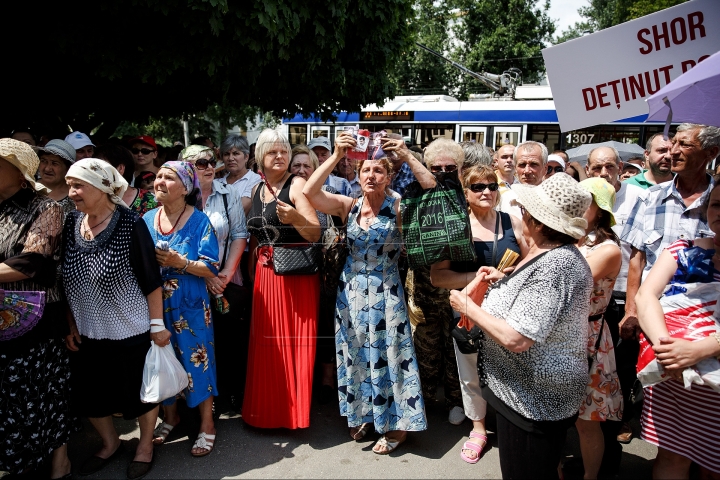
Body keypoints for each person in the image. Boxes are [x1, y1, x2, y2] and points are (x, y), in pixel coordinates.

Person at [449, 172, 594, 479]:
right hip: (523, 392)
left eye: (528, 211)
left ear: (540, 222)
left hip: (533, 399)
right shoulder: (554, 256)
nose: (523, 215)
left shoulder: (556, 265)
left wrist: (468, 308)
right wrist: (506, 281)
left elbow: (516, 338)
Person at [303, 131, 435, 454]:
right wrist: (336, 155)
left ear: (389, 175)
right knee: (356, 354)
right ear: (358, 175)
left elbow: (432, 190)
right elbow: (309, 191)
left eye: (379, 170)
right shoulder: (349, 205)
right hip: (350, 295)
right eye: (366, 170)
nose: (371, 175)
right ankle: (366, 414)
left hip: (386, 292)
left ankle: (398, 424)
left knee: (391, 357)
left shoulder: (399, 206)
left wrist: (406, 156)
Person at [61, 158, 168, 479]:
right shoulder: (71, 223)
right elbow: (64, 278)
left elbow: (151, 281)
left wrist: (157, 326)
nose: (71, 192)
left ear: (103, 187)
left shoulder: (129, 224)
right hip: (86, 330)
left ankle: (145, 444)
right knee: (91, 395)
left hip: (130, 328)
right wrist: (70, 322)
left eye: (78, 185)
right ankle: (109, 443)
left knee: (140, 392)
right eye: (69, 185)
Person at [430, 164, 525, 464]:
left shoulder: (514, 223)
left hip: (508, 313)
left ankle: (512, 424)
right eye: (478, 187)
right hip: (470, 311)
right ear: (465, 193)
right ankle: (478, 429)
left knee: (511, 372)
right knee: (470, 374)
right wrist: (479, 275)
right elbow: (439, 278)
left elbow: (532, 261)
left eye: (492, 186)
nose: (486, 192)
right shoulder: (456, 228)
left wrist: (508, 273)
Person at [0, 139, 75, 479]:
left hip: (36, 316)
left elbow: (32, 262)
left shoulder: (45, 208)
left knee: (43, 393)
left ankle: (59, 461)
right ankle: (18, 461)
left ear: (20, 174)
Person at [634, 181, 720, 479]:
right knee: (672, 458)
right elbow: (645, 297)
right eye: (716, 205)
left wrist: (703, 349)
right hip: (673, 375)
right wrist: (668, 349)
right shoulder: (682, 250)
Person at [620, 124, 719, 366]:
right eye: (673, 142)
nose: (673, 151)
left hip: (707, 327)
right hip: (652, 321)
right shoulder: (651, 197)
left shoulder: (717, 201)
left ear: (711, 152)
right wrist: (631, 311)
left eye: (684, 144)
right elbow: (637, 258)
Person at [242, 129, 321, 430]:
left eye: (284, 151)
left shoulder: (297, 183)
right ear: (260, 157)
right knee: (266, 348)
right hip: (265, 277)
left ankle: (291, 416)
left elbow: (315, 233)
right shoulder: (257, 190)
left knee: (292, 346)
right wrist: (251, 275)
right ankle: (265, 413)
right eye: (273, 151)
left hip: (295, 279)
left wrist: (295, 219)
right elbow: (254, 240)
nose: (280, 156)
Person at [143, 161, 221, 457]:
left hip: (189, 305)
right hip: (154, 303)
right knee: (164, 359)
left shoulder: (200, 221)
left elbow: (211, 267)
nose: (160, 181)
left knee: (197, 361)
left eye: (168, 177)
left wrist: (181, 263)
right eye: (158, 176)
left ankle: (207, 423)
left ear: (186, 187)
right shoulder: (147, 219)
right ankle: (171, 417)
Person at [180, 145, 249, 412]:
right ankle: (199, 399)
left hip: (225, 282)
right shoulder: (179, 197)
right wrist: (206, 275)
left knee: (228, 341)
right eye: (200, 163)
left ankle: (229, 393)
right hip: (189, 281)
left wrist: (222, 276)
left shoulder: (227, 192)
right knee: (196, 342)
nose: (209, 167)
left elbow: (239, 235)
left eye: (211, 161)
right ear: (186, 168)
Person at [404, 138, 465, 425]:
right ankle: (425, 398)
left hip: (457, 286)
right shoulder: (412, 191)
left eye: (449, 167)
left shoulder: (462, 191)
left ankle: (456, 400)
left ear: (460, 169)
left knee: (455, 346)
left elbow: (436, 188)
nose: (442, 172)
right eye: (435, 167)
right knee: (425, 344)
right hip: (423, 284)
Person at [574, 178, 624, 480]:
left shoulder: (608, 249)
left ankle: (590, 477)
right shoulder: (565, 237)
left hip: (588, 337)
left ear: (600, 211)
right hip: (558, 335)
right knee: (554, 416)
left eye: (586, 201)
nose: (579, 206)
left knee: (587, 420)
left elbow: (569, 279)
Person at [95, 144, 158, 216]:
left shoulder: (151, 202)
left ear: (120, 168)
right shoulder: (90, 199)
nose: (95, 172)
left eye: (101, 168)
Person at [498, 140, 547, 219]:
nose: (527, 171)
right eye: (522, 165)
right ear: (515, 168)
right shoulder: (503, 200)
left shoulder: (553, 201)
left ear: (545, 168)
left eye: (533, 164)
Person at [219, 134, 261, 216]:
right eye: (226, 154)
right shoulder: (218, 183)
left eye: (236, 153)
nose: (231, 158)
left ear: (246, 157)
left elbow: (239, 211)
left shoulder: (255, 180)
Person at [37, 139, 77, 217]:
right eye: (44, 161)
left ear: (68, 168)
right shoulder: (27, 189)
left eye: (55, 163)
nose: (47, 168)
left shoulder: (75, 198)